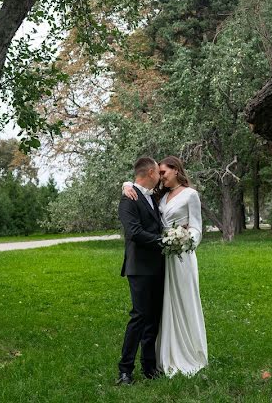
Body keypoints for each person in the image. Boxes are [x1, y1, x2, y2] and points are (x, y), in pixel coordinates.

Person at [124, 155, 208, 377]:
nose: (161, 176)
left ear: (176, 170)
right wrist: (126, 185)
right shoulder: (160, 196)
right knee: (159, 311)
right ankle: (160, 358)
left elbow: (197, 228)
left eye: (164, 172)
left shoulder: (191, 195)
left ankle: (188, 352)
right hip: (161, 258)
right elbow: (139, 191)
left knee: (183, 302)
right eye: (158, 173)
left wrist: (185, 241)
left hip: (180, 257)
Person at [116, 157, 165, 385]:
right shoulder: (128, 199)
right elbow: (134, 232)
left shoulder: (151, 195)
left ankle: (149, 366)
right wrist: (163, 240)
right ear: (150, 173)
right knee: (139, 317)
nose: (161, 176)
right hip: (140, 267)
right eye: (158, 172)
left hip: (158, 265)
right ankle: (125, 370)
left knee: (153, 318)